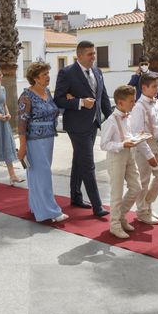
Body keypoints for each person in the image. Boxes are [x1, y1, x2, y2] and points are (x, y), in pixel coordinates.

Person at [54, 40, 112, 217]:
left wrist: (113, 119)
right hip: (77, 126)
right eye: (89, 54)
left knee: (79, 160)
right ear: (79, 56)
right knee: (88, 164)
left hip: (93, 123)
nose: (93, 57)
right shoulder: (67, 73)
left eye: (94, 53)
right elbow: (59, 99)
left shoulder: (97, 71)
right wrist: (80, 102)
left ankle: (76, 197)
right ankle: (97, 206)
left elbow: (103, 97)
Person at [18, 62, 68, 223]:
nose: (48, 77)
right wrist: (23, 146)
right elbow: (21, 123)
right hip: (34, 141)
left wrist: (67, 102)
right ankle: (50, 212)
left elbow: (53, 111)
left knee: (37, 175)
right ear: (35, 78)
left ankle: (37, 207)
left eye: (48, 73)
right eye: (44, 74)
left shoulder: (47, 92)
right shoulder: (26, 96)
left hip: (49, 139)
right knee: (43, 175)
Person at [100, 85, 142, 239]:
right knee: (116, 192)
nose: (134, 103)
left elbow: (128, 134)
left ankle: (121, 216)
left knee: (136, 187)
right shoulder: (111, 121)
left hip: (129, 154)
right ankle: (115, 224)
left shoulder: (128, 116)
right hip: (116, 157)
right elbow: (104, 144)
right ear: (120, 102)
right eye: (131, 101)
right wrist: (121, 145)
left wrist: (136, 138)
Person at [130, 72, 158, 225]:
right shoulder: (139, 107)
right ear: (144, 87)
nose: (157, 89)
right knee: (144, 181)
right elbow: (137, 135)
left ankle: (147, 203)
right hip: (145, 147)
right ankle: (142, 212)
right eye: (154, 86)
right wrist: (148, 155)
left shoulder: (157, 102)